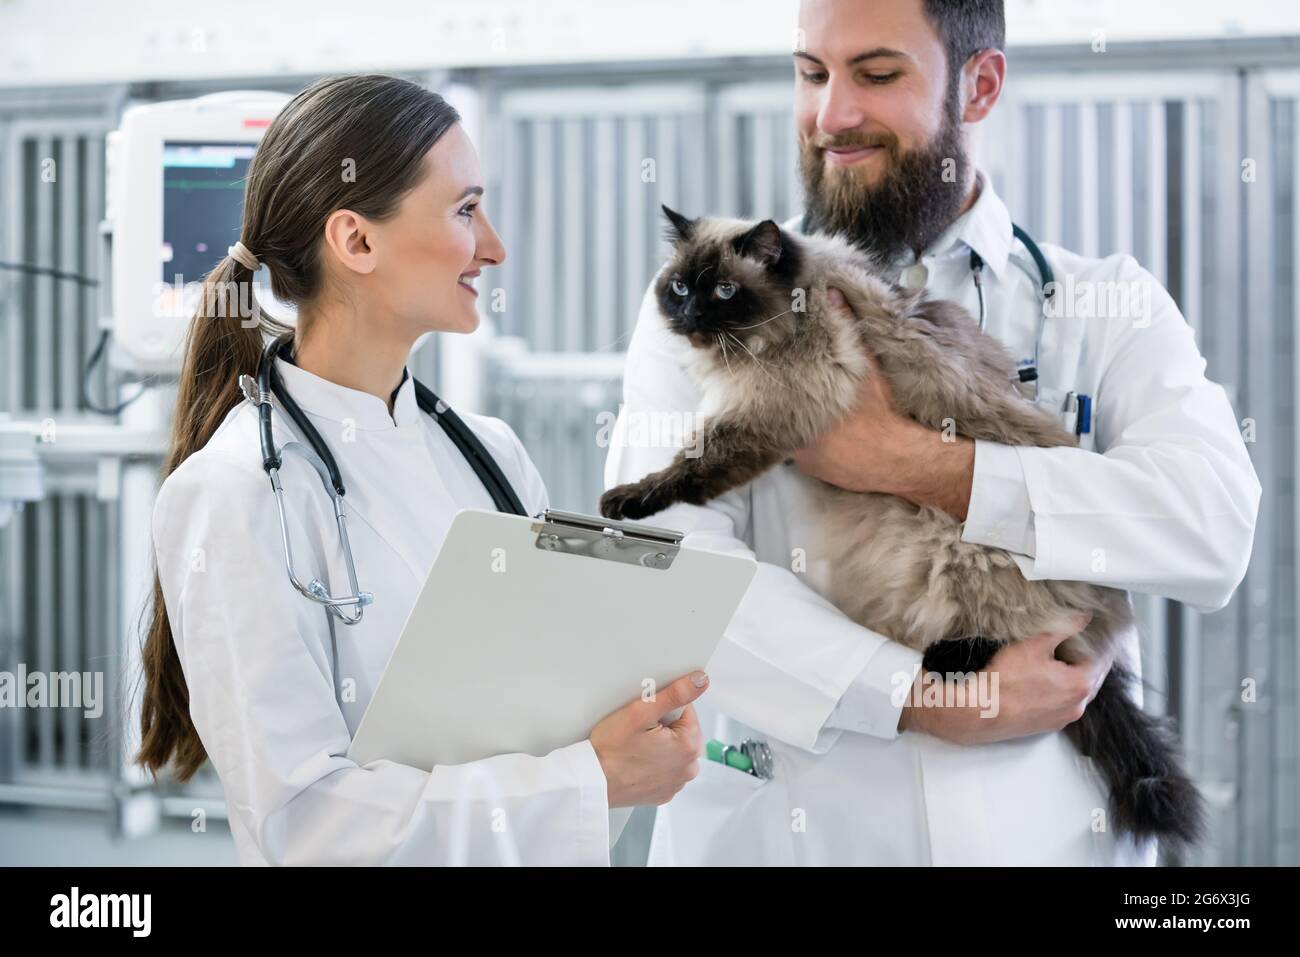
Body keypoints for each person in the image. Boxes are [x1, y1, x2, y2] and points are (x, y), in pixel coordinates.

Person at [606, 0, 1260, 865]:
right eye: (811, 74)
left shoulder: (1106, 305)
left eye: (877, 75)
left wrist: (925, 464)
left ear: (979, 84)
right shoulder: (718, 306)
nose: (832, 115)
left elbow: (1211, 528)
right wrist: (914, 695)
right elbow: (660, 567)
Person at [138, 74, 705, 866]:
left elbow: (541, 726)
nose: (495, 246)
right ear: (356, 240)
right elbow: (306, 825)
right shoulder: (235, 490)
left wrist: (624, 727)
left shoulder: (492, 456)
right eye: (466, 210)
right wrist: (593, 778)